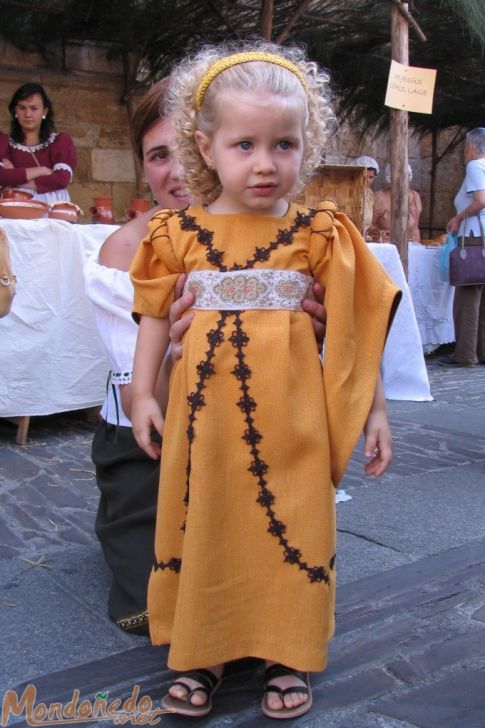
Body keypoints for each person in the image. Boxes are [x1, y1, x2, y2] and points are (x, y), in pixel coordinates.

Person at [129, 42, 401, 720]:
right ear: (206, 144)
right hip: (202, 418)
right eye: (243, 143)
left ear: (304, 146)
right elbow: (155, 319)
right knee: (208, 516)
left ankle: (289, 650)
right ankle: (204, 648)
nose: (263, 163)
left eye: (282, 144)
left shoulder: (320, 230)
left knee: (298, 520)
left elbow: (353, 328)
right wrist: (140, 394)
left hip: (295, 415)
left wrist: (373, 410)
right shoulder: (175, 231)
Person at [83, 78, 327, 636]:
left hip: (247, 432)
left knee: (272, 572)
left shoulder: (291, 232)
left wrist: (308, 330)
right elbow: (140, 393)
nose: (177, 171)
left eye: (184, 152)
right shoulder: (130, 250)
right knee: (158, 607)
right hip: (150, 448)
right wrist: (174, 346)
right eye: (157, 155)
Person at [438, 127, 485, 367]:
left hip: (474, 238)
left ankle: (465, 353)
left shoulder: (475, 166)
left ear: (470, 147)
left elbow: (481, 200)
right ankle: (481, 350)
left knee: (467, 299)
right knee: (481, 299)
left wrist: (458, 218)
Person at [0, 83, 77, 204]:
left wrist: (15, 177)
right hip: (15, 207)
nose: (28, 115)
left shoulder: (60, 141)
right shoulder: (4, 143)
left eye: (34, 108)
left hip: (52, 207)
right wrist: (42, 170)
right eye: (22, 108)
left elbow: (61, 179)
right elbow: (1, 176)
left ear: (44, 112)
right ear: (15, 110)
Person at [370, 162, 422, 242]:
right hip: (385, 245)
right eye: (398, 177)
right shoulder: (380, 197)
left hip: (409, 245)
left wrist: (418, 246)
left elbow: (415, 228)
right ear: (390, 178)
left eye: (405, 176)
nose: (402, 180)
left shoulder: (415, 197)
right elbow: (369, 225)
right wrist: (380, 233)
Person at [354, 155, 379, 238]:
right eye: (363, 176)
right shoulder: (349, 192)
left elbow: (366, 222)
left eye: (370, 177)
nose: (367, 180)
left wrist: (377, 231)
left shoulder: (369, 194)